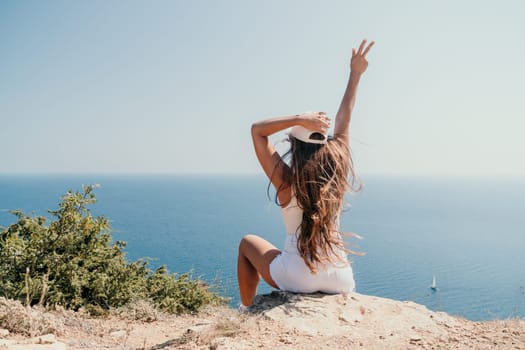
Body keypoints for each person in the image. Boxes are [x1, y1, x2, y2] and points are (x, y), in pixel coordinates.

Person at [237, 39, 375, 307]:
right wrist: (355, 74)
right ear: (324, 145)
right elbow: (344, 120)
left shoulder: (286, 181)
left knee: (246, 243)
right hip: (341, 278)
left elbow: (257, 130)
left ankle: (247, 308)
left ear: (294, 147)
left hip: (298, 276)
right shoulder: (336, 173)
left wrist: (299, 119)